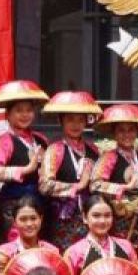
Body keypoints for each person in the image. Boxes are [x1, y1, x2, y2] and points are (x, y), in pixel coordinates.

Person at [0, 80, 51, 246]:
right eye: (19, 111)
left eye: (29, 110)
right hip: (13, 205)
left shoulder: (41, 139)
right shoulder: (4, 141)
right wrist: (24, 170)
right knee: (14, 249)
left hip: (40, 205)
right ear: (8, 114)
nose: (25, 115)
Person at [38, 91, 101, 250]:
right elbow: (45, 185)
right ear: (61, 121)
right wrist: (77, 187)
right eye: (70, 120)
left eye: (80, 120)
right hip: (62, 218)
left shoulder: (94, 150)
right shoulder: (55, 150)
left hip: (91, 217)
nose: (76, 125)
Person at [90, 103, 138, 249]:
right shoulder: (109, 157)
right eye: (121, 131)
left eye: (131, 130)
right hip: (120, 216)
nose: (127, 134)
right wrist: (124, 187)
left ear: (137, 132)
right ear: (114, 134)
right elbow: (95, 184)